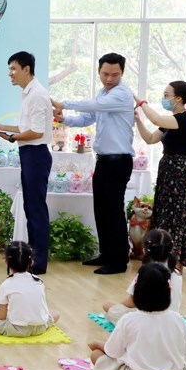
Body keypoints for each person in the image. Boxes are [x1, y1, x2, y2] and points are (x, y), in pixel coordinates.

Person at [52, 53, 135, 275]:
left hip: (119, 161)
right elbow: (86, 118)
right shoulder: (103, 94)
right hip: (104, 161)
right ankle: (106, 254)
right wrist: (63, 119)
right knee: (101, 208)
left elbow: (94, 105)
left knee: (113, 210)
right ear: (99, 72)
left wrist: (64, 103)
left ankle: (119, 260)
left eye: (115, 74)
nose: (109, 79)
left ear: (122, 73)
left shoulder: (122, 94)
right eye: (105, 74)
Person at [0, 51, 53, 274]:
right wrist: (1, 127)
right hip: (29, 153)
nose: (10, 73)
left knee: (36, 210)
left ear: (26, 69)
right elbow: (26, 128)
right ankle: (32, 258)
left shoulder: (37, 94)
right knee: (30, 208)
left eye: (14, 69)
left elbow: (36, 132)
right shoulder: (28, 93)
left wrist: (12, 137)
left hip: (36, 154)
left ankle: (39, 262)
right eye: (9, 69)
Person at [88, 263, 186, 370]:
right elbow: (185, 352)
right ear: (169, 292)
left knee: (96, 355)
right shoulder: (177, 319)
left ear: (137, 291)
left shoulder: (128, 319)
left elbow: (112, 352)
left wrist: (98, 344)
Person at [134, 81, 186, 269]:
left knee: (177, 215)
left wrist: (142, 103)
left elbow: (156, 119)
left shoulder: (185, 118)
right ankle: (162, 258)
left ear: (178, 98)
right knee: (165, 212)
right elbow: (150, 138)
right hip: (168, 170)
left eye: (166, 95)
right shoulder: (171, 121)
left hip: (180, 171)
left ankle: (176, 260)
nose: (164, 98)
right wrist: (138, 120)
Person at [0, 241, 60, 337]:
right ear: (31, 261)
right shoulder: (39, 281)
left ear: (6, 261)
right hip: (40, 327)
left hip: (17, 329)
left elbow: (1, 316)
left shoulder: (7, 285)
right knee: (56, 313)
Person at [102, 228, 182, 323]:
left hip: (148, 321)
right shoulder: (177, 273)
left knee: (107, 305)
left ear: (144, 251)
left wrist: (117, 307)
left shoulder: (146, 273)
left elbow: (132, 301)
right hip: (172, 320)